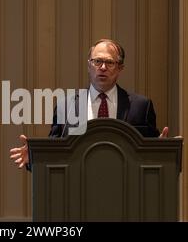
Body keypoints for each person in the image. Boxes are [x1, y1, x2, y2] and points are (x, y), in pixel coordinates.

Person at [10, 39, 169, 169]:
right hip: (77, 191)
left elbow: (150, 155)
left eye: (110, 62)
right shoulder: (67, 106)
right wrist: (34, 158)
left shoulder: (140, 106)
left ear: (120, 68)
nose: (103, 68)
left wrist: (162, 152)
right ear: (89, 65)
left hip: (126, 190)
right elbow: (55, 153)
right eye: (97, 61)